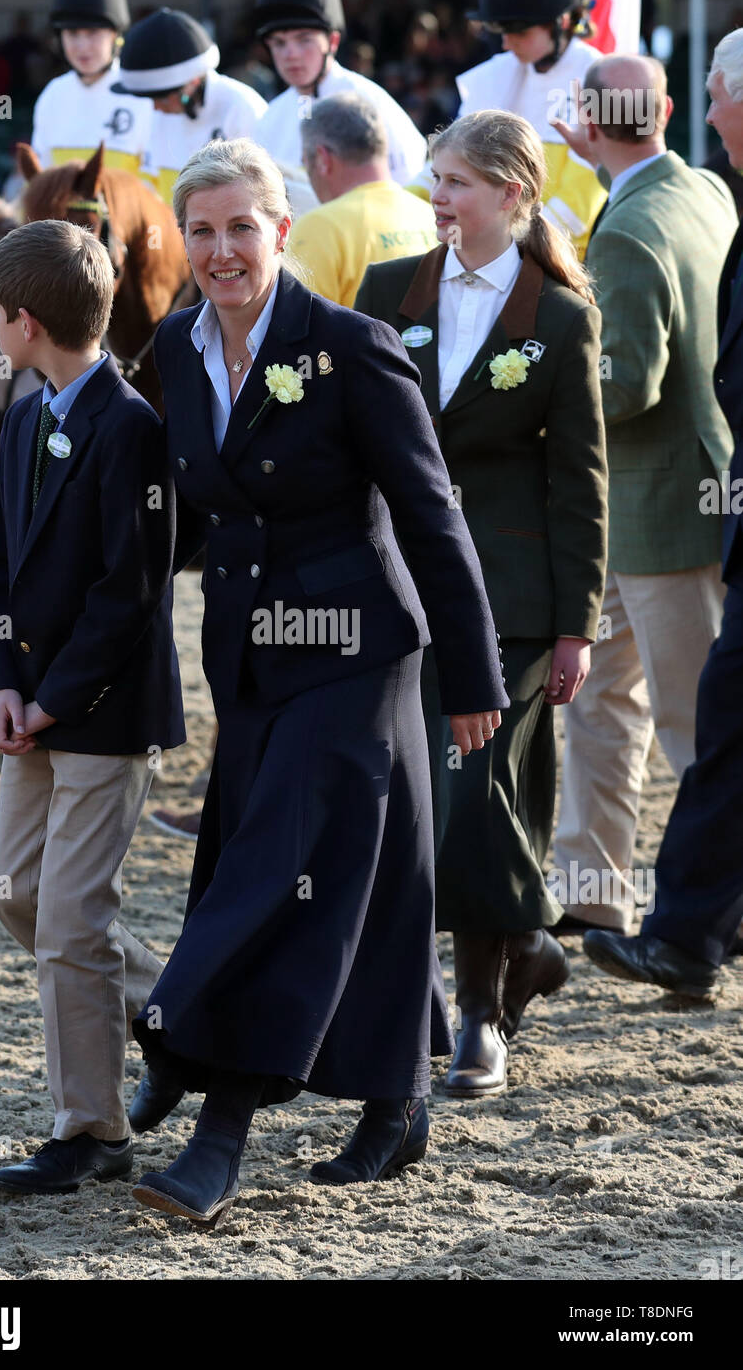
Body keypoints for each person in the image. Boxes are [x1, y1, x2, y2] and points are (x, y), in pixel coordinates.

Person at [126, 136, 508, 1227]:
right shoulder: (174, 347)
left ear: (282, 229)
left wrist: (472, 672)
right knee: (363, 881)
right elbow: (196, 514)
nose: (220, 250)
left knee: (276, 877)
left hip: (357, 657)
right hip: (248, 663)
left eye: (241, 226)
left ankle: (218, 1126)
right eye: (199, 230)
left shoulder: (350, 345)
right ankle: (399, 1095)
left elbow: (432, 515)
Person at [355, 109, 607, 1098]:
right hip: (406, 587)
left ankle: (476, 1018)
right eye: (433, 177)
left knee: (471, 788)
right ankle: (529, 943)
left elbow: (580, 482)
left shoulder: (560, 317)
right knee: (437, 796)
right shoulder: (388, 292)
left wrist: (578, 622)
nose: (437, 195)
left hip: (516, 598)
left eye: (456, 180)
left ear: (512, 194)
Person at [0, 220, 185, 1194]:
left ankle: (90, 1130)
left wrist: (53, 699)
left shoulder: (132, 426)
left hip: (102, 712)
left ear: (28, 320)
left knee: (68, 920)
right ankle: (176, 1015)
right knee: (18, 894)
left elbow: (128, 594)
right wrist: (2, 684)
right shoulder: (21, 413)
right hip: (32, 707)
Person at [549, 56, 737, 935]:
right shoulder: (701, 187)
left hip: (657, 505)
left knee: (683, 719)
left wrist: (541, 380)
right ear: (662, 111)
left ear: (590, 122)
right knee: (607, 703)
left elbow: (625, 384)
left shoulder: (625, 228)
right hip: (667, 497)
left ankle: (693, 903)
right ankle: (593, 889)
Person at [408, 0, 605, 260]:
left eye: (518, 31)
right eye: (500, 31)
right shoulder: (493, 75)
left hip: (557, 261)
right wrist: (400, 203)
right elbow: (444, 163)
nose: (506, 42)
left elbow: (576, 206)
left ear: (561, 22)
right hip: (486, 254)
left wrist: (515, 250)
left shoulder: (599, 80)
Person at [251, 0, 427, 188]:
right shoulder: (270, 118)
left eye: (304, 39)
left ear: (332, 42)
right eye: (279, 43)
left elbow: (410, 178)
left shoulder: (368, 101)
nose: (291, 55)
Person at [286, 91, 437, 306]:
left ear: (322, 158)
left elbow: (294, 329)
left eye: (305, 161)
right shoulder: (433, 217)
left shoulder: (319, 227)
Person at [111, 8, 267, 206]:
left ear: (192, 82)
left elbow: (263, 197)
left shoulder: (243, 108)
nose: (156, 108)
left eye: (162, 98)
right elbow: (149, 189)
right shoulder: (157, 114)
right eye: (150, 98)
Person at [30, 0, 153, 174]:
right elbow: (41, 176)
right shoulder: (53, 95)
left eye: (93, 33)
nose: (82, 46)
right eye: (72, 33)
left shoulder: (142, 96)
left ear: (115, 35)